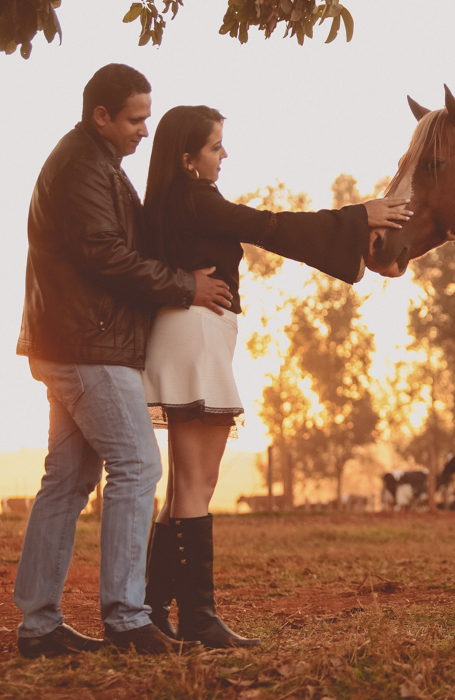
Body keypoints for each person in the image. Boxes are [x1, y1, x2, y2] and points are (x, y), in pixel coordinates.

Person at [140, 104, 411, 648]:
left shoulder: (174, 203)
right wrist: (359, 217)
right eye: (215, 147)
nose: (223, 155)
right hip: (195, 338)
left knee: (182, 488)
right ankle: (197, 617)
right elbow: (268, 227)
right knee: (198, 485)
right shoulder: (196, 199)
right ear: (188, 158)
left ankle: (154, 611)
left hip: (187, 337)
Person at [14, 64, 233, 658]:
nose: (144, 129)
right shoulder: (84, 168)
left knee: (66, 480)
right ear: (101, 116)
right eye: (135, 118)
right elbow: (106, 257)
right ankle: (128, 618)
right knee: (138, 466)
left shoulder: (94, 163)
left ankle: (38, 627)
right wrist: (185, 284)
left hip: (71, 341)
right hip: (90, 346)